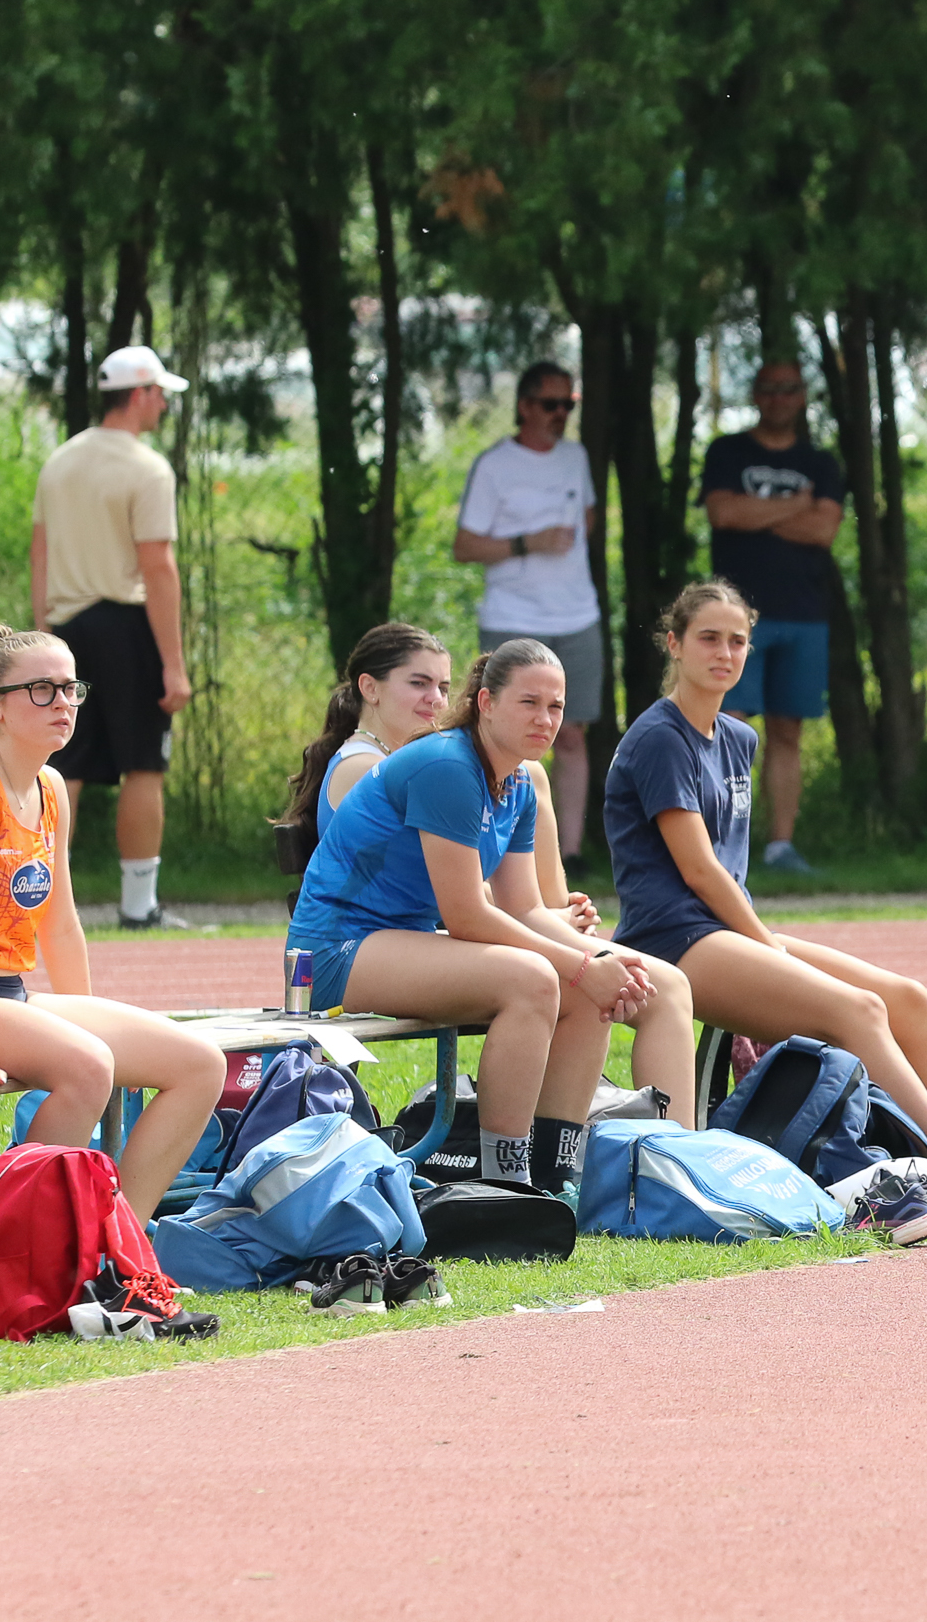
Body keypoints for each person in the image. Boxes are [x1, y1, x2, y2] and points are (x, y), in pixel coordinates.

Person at [600, 580, 927, 1212]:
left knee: (906, 998)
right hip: (671, 940)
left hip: (724, 931)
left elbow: (727, 877)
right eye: (708, 638)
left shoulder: (738, 738)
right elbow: (701, 872)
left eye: (737, 641)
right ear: (674, 644)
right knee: (859, 1010)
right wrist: (769, 950)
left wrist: (762, 948)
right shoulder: (660, 736)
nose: (724, 653)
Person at [286, 640, 666, 1193]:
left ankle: (556, 1176)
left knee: (582, 992)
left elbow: (524, 909)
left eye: (556, 707)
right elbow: (467, 915)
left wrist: (601, 960)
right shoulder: (448, 765)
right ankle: (506, 1184)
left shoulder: (518, 781)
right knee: (534, 979)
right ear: (486, 703)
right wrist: (584, 965)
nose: (544, 719)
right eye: (528, 703)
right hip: (334, 949)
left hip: (400, 944)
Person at [0, 626, 226, 1213]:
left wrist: (91, 1020)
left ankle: (117, 1241)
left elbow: (61, 924)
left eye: (70, 688)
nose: (63, 703)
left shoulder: (49, 787)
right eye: (41, 690)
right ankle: (5, 1235)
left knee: (200, 1064)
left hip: (7, 996)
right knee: (89, 1066)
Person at [31, 342, 193, 930]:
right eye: (161, 395)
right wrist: (173, 663)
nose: (164, 405)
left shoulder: (60, 461)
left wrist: (43, 637)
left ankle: (38, 902)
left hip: (67, 628)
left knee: (62, 767)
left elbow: (40, 552)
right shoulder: (147, 468)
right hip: (128, 628)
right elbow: (158, 567)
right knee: (143, 765)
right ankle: (138, 906)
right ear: (142, 393)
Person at [700, 360, 847, 878]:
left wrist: (758, 513)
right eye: (769, 389)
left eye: (788, 390)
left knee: (788, 731)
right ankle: (721, 846)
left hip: (804, 612)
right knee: (731, 726)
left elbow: (823, 530)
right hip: (737, 618)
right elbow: (724, 514)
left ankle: (781, 846)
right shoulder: (727, 452)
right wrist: (796, 505)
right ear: (756, 394)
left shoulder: (820, 462)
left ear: (802, 396)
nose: (779, 398)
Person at [453, 362, 604, 863]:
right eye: (549, 404)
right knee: (504, 735)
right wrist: (527, 543)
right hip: (513, 617)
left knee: (572, 733)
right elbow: (464, 545)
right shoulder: (495, 465)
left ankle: (569, 853)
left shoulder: (576, 457)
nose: (560, 413)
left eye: (568, 404)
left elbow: (587, 517)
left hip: (577, 615)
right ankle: (499, 850)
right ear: (524, 407)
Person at [280, 622, 453, 842]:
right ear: (370, 688)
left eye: (443, 689)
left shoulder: (386, 760)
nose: (436, 699)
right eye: (418, 683)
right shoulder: (366, 768)